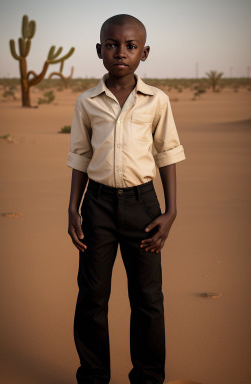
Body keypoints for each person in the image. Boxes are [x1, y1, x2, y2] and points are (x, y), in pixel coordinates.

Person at [67, 14, 186, 384]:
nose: (121, 52)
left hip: (144, 208)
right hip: (97, 207)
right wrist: (73, 207)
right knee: (92, 298)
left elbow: (167, 153)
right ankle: (93, 376)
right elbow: (80, 157)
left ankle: (149, 378)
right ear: (99, 50)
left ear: (144, 53)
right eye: (112, 44)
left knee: (148, 300)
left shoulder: (157, 100)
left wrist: (171, 211)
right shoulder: (86, 102)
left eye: (130, 46)